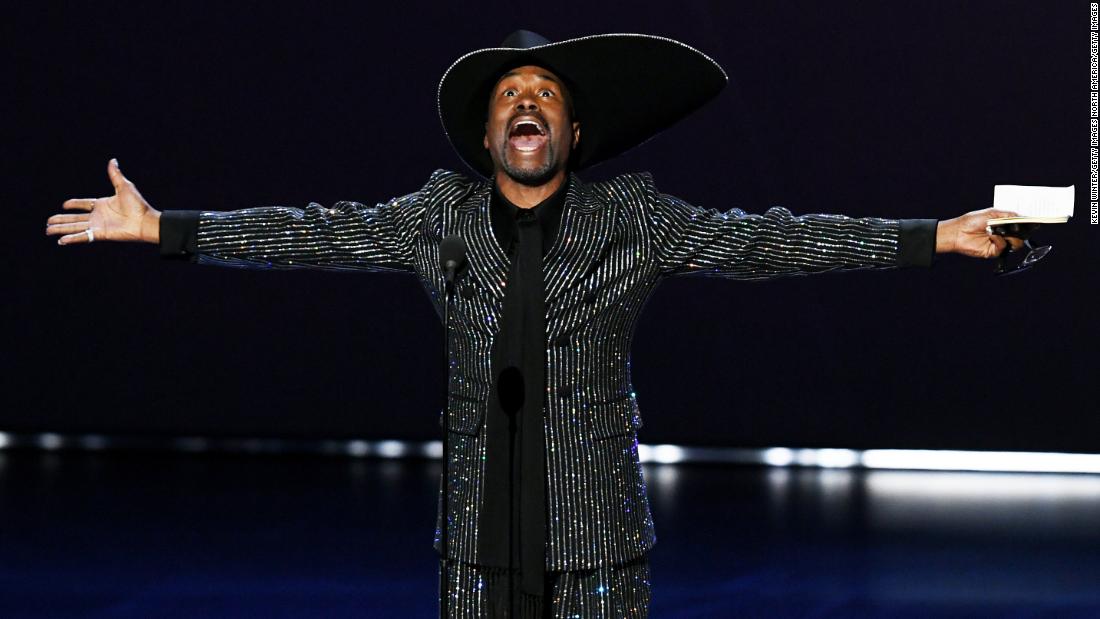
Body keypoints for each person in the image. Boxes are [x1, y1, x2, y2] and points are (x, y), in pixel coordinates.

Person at [46, 30, 1026, 618]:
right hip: (476, 549)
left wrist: (930, 235)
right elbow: (314, 233)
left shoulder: (629, 217)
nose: (525, 101)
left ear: (570, 134)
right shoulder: (436, 216)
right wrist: (165, 226)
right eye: (508, 94)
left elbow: (769, 244)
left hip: (594, 547)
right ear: (486, 136)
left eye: (544, 94)